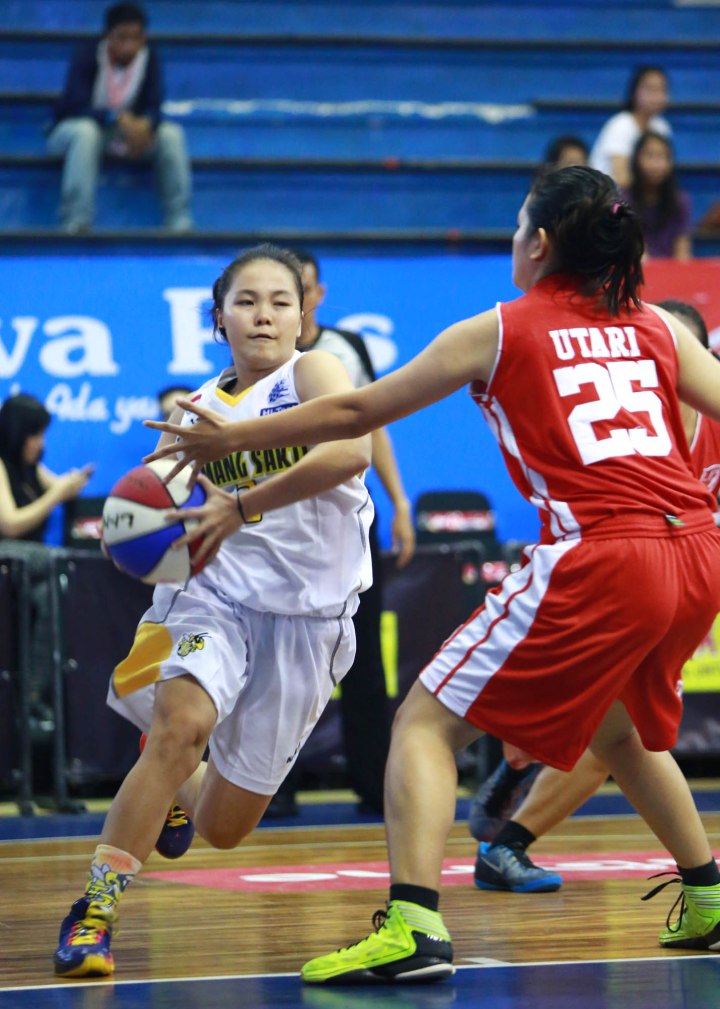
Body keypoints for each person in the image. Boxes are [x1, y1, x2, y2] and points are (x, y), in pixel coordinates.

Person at [146, 167, 720, 985]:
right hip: (697, 549)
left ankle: (413, 924)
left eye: (516, 227)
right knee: (617, 730)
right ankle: (708, 893)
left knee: (423, 722)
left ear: (539, 244)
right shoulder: (658, 325)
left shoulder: (500, 327)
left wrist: (229, 440)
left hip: (604, 551)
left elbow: (357, 413)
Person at [52, 244, 373, 978]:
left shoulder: (314, 374)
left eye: (281, 302)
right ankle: (95, 910)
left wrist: (241, 503)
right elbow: (151, 505)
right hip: (213, 598)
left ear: (303, 317)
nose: (264, 315)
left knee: (224, 828)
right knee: (181, 728)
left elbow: (349, 454)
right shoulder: (191, 412)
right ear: (218, 319)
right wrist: (129, 532)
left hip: (308, 621)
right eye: (246, 301)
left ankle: (173, 780)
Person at [469, 298, 720, 894]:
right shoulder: (619, 427)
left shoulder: (711, 424)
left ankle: (507, 838)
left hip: (681, 587)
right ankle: (517, 774)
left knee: (618, 738)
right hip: (610, 581)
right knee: (612, 733)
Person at [267, 249, 415, 817]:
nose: (286, 303)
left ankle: (373, 782)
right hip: (281, 522)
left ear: (316, 294)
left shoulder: (345, 349)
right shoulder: (260, 359)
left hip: (349, 521)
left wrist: (400, 502)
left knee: (362, 652)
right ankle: (270, 786)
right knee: (277, 652)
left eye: (297, 289)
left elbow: (374, 431)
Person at [47, 3, 193, 234]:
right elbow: (74, 106)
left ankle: (179, 221)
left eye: (136, 38)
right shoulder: (88, 53)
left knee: (171, 135)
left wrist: (145, 124)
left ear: (143, 39)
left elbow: (154, 106)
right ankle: (76, 222)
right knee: (85, 132)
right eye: (122, 37)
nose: (129, 45)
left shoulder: (149, 57)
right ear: (107, 37)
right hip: (74, 134)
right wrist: (114, 118)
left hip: (127, 136)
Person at [0, 393, 94, 717]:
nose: (40, 443)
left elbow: (60, 486)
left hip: (31, 569)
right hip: (7, 555)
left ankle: (33, 693)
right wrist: (56, 495)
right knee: (61, 560)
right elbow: (10, 523)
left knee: (50, 594)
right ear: (18, 433)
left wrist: (74, 483)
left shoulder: (30, 467)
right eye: (35, 435)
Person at [590, 66, 671, 187]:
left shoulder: (662, 127)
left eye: (661, 89)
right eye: (650, 89)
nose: (656, 96)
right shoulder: (621, 125)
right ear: (634, 92)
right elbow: (620, 178)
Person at [623, 131, 692, 260]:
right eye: (650, 156)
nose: (656, 164)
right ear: (636, 159)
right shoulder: (623, 200)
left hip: (671, 269)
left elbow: (682, 251)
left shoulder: (680, 201)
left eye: (662, 156)